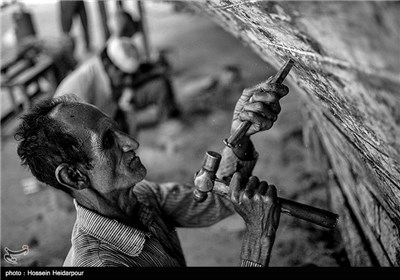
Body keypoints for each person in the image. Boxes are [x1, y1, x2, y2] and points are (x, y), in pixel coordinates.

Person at [15, 76, 289, 266]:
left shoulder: (142, 196)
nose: (131, 143)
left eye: (118, 129)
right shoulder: (102, 264)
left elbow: (214, 202)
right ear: (74, 176)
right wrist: (257, 241)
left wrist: (240, 135)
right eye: (109, 141)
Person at [54, 9, 180, 137]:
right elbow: (80, 132)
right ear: (112, 68)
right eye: (123, 76)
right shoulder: (81, 88)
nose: (126, 80)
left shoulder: (110, 59)